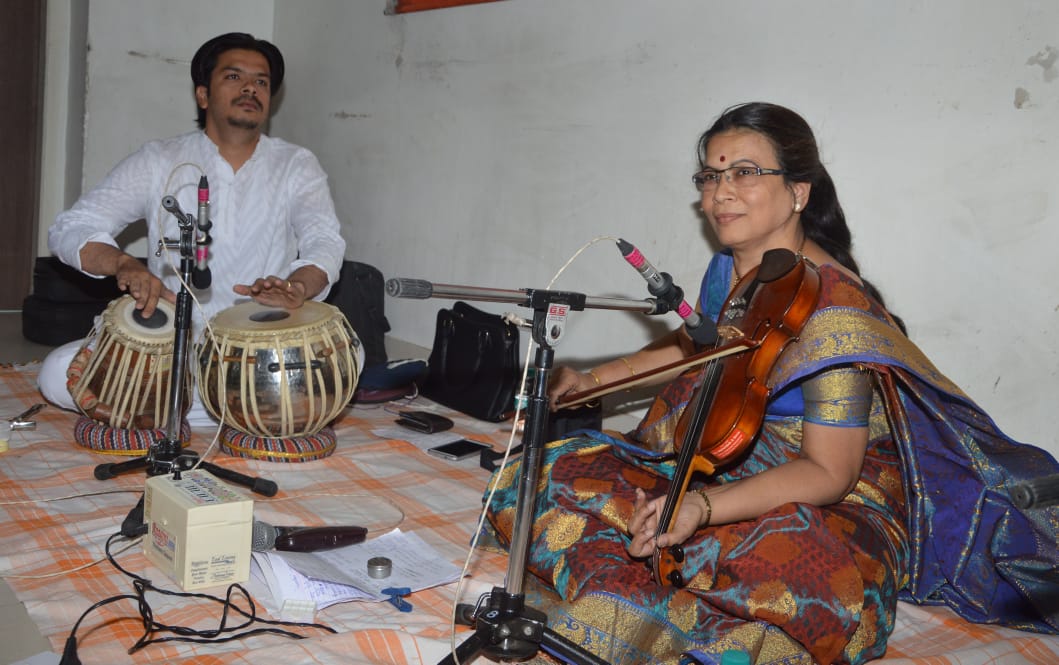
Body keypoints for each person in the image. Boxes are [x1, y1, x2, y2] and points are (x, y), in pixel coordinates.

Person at [481, 102, 1059, 664]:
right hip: (723, 456)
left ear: (799, 192)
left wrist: (702, 508)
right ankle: (640, 593)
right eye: (710, 175)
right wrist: (590, 381)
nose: (720, 193)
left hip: (830, 495)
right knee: (543, 472)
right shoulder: (726, 269)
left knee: (794, 572)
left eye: (745, 173)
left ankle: (650, 606)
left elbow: (831, 473)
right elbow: (692, 346)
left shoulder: (836, 311)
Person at [37, 32, 348, 427]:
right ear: (203, 95)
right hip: (168, 349)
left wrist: (299, 287)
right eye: (234, 77)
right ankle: (208, 409)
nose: (251, 88)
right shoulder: (160, 160)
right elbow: (71, 226)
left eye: (262, 81)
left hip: (261, 353)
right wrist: (122, 265)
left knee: (351, 358)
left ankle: (180, 411)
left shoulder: (296, 165)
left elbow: (324, 239)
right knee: (56, 372)